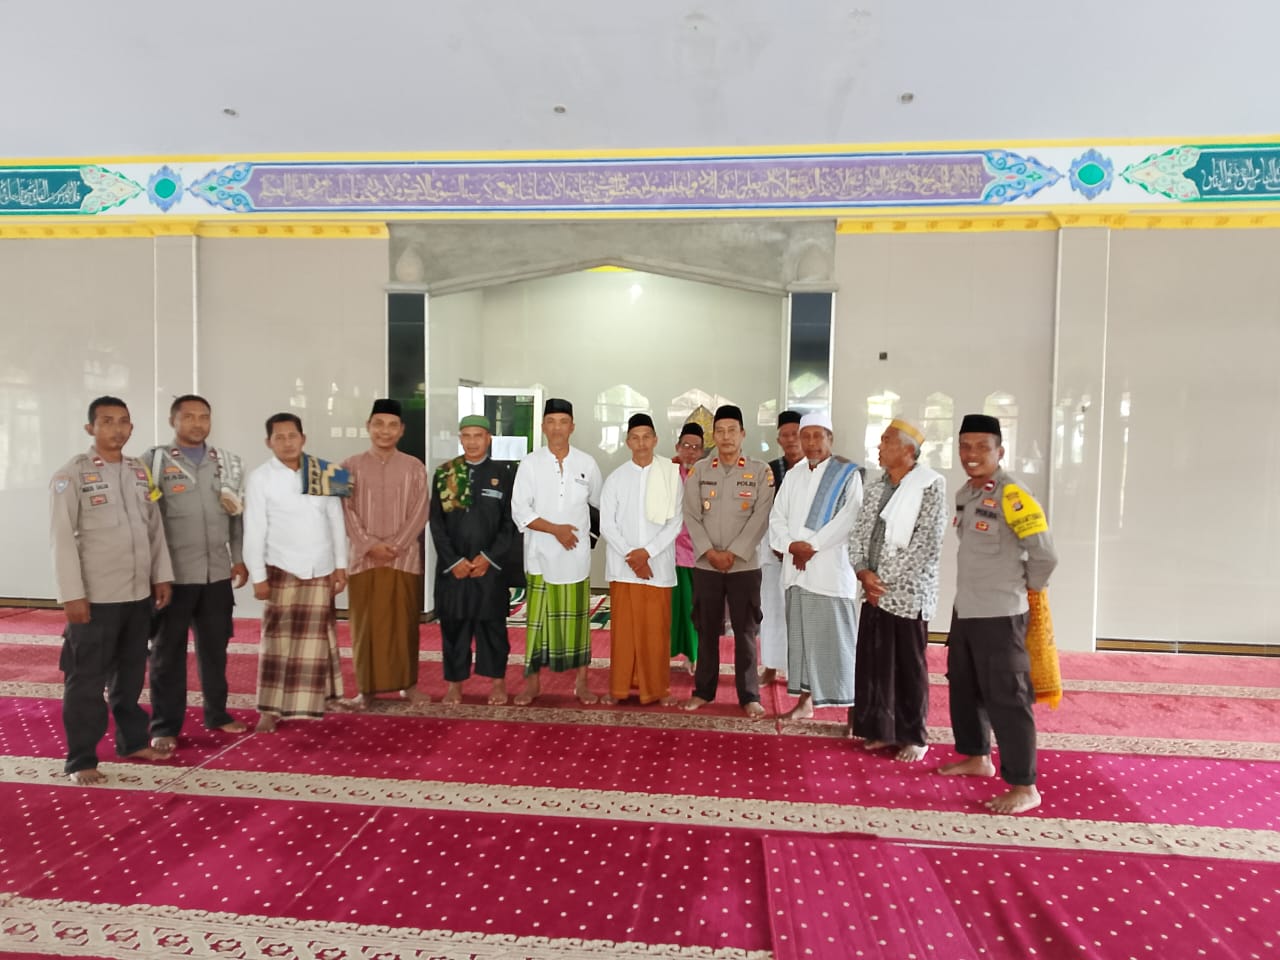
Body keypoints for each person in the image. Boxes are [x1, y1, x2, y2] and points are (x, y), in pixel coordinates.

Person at [49, 396, 175, 784]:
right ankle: (81, 759)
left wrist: (161, 575)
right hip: (95, 598)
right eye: (107, 421)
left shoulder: (139, 471)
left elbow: (154, 528)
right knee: (86, 680)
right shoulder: (71, 474)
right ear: (91, 428)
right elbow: (61, 538)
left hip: (136, 595)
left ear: (131, 427)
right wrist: (72, 594)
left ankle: (132, 741)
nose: (117, 429)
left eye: (123, 422)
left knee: (130, 676)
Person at [937, 413, 1058, 814]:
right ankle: (977, 756)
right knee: (965, 686)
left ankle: (1024, 785)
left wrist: (1028, 588)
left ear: (999, 451)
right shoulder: (966, 493)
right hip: (967, 609)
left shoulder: (1013, 495)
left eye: (981, 447)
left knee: (1008, 696)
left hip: (1001, 614)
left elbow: (1044, 554)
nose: (971, 454)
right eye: (965, 446)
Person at [145, 394, 250, 751]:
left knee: (215, 649)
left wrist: (238, 558)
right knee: (167, 653)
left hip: (216, 574)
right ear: (173, 421)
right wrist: (155, 571)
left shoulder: (227, 463)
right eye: (188, 416)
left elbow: (236, 517)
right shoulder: (154, 462)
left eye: (204, 416)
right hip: (173, 577)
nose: (197, 423)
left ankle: (217, 714)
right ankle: (165, 726)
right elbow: (149, 521)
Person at [243, 413, 349, 732]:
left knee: (317, 639)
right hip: (281, 568)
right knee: (277, 642)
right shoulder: (260, 478)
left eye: (292, 436)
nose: (287, 442)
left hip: (320, 567)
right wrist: (258, 576)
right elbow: (254, 529)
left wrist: (340, 566)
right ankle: (270, 709)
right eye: (279, 437)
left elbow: (336, 520)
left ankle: (323, 698)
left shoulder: (325, 471)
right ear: (268, 442)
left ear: (303, 438)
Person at [850, 418, 946, 761]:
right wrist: (863, 571)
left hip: (907, 593)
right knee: (875, 661)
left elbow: (926, 543)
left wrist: (882, 581)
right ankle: (880, 730)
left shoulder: (930, 485)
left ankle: (913, 736)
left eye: (886, 441)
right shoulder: (876, 486)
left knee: (907, 666)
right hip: (873, 589)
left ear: (908, 450)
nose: (879, 447)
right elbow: (859, 533)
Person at [767, 411, 863, 721]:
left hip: (829, 573)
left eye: (817, 436)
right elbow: (777, 517)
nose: (811, 442)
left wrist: (811, 547)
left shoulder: (846, 474)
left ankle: (853, 712)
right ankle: (805, 702)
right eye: (805, 436)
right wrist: (790, 546)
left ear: (830, 439)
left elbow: (849, 518)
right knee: (803, 641)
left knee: (839, 644)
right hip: (796, 572)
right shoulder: (794, 474)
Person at [681, 404, 774, 719]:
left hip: (744, 566)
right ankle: (703, 691)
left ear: (743, 434)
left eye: (732, 430)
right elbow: (691, 514)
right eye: (719, 431)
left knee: (746, 632)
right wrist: (710, 552)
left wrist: (734, 553)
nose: (726, 436)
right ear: (713, 436)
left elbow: (761, 517)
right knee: (706, 629)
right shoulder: (700, 471)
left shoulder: (760, 472)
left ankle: (749, 695)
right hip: (707, 565)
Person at [511, 398, 603, 705]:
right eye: (551, 422)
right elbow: (520, 510)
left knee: (579, 622)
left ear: (572, 426)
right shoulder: (530, 463)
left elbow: (599, 506)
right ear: (543, 427)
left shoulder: (587, 463)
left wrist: (584, 538)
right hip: (540, 557)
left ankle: (582, 683)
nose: (557, 428)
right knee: (537, 624)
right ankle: (532, 684)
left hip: (575, 558)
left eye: (563, 422)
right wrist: (555, 530)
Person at [342, 398, 430, 710]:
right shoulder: (346, 467)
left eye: (392, 425)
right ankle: (366, 689)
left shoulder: (415, 467)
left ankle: (409, 685)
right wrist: (369, 545)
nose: (385, 431)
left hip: (403, 560)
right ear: (368, 426)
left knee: (404, 626)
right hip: (363, 561)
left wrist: (396, 545)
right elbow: (344, 509)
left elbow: (421, 511)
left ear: (402, 429)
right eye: (378, 424)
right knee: (364, 627)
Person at [430, 414, 517, 706]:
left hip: (489, 568)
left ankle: (498, 683)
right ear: (460, 438)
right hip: (453, 569)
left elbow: (509, 523)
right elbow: (436, 523)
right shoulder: (446, 473)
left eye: (478, 436)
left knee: (492, 627)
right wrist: (453, 561)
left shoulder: (503, 474)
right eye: (466, 436)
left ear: (488, 438)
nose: (472, 442)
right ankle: (455, 685)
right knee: (454, 628)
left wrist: (488, 558)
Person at [600, 413, 684, 705]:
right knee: (624, 633)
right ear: (627, 442)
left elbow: (675, 522)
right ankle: (619, 688)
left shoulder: (670, 476)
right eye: (635, 438)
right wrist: (632, 556)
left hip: (656, 567)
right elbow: (607, 525)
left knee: (655, 634)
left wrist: (646, 553)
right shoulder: (616, 478)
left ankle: (657, 690)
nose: (641, 443)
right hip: (623, 568)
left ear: (655, 440)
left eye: (646, 437)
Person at [759, 410, 804, 686]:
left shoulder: (814, 469)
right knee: (772, 610)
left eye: (795, 434)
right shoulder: (770, 470)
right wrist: (778, 544)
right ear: (778, 440)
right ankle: (771, 666)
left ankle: (798, 671)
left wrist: (793, 546)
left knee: (799, 614)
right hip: (773, 552)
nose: (790, 440)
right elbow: (763, 511)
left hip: (804, 555)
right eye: (785, 435)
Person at [670, 421, 706, 674]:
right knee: (673, 608)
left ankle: (694, 657)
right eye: (686, 445)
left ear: (702, 451)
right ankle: (670, 653)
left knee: (695, 608)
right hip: (670, 550)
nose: (690, 452)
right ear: (678, 446)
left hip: (698, 551)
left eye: (696, 447)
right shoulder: (667, 472)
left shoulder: (708, 474)